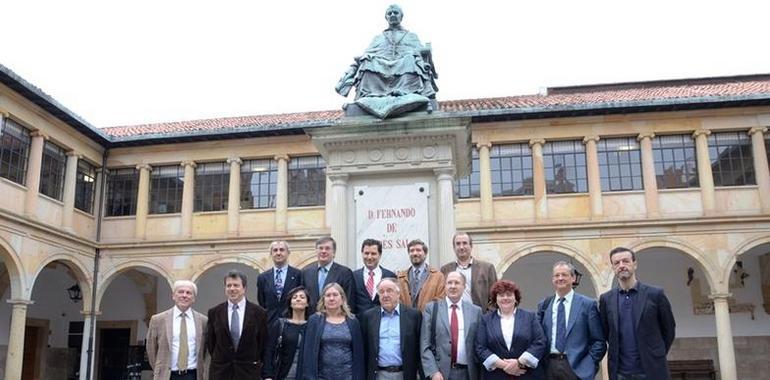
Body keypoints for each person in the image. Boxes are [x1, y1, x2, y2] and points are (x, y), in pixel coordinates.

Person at [335, 4, 438, 118]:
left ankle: (406, 92)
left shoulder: (411, 36)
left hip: (403, 63)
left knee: (411, 59)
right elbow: (367, 53)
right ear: (386, 17)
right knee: (367, 61)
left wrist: (420, 52)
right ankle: (370, 95)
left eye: (395, 12)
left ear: (401, 16)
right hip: (382, 66)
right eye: (390, 13)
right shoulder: (378, 38)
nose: (392, 15)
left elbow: (420, 51)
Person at [599, 247, 676, 380]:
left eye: (626, 261)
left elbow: (668, 329)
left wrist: (656, 353)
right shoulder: (606, 299)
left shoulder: (655, 294)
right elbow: (606, 333)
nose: (621, 266)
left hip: (651, 371)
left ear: (635, 264)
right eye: (617, 263)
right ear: (613, 267)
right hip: (620, 373)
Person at [536, 261, 605, 380]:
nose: (560, 278)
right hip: (549, 366)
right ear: (552, 279)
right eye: (557, 275)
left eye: (564, 275)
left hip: (577, 367)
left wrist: (589, 364)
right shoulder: (544, 305)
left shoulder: (587, 304)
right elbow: (537, 337)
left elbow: (599, 341)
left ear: (573, 278)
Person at [475, 280, 546, 379]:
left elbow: (540, 342)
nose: (505, 298)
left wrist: (519, 362)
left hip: (526, 374)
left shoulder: (530, 317)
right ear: (495, 299)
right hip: (496, 375)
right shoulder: (485, 320)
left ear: (515, 298)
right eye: (501, 295)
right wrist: (505, 366)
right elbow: (480, 347)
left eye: (509, 294)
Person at [206, 270, 268, 380]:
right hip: (221, 372)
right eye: (228, 285)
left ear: (244, 288)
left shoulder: (259, 313)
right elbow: (211, 343)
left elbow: (262, 343)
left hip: (248, 372)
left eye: (236, 285)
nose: (232, 289)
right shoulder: (214, 312)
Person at [421, 271, 482, 380]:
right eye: (449, 283)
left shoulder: (475, 311)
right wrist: (433, 371)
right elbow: (425, 345)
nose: (453, 286)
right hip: (441, 374)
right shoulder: (431, 309)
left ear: (464, 286)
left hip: (468, 373)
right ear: (445, 286)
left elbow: (480, 344)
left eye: (457, 283)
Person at [296, 283, 365, 380]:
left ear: (342, 299)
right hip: (321, 377)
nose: (331, 298)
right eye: (328, 295)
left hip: (348, 376)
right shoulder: (314, 320)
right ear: (323, 300)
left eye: (335, 295)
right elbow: (306, 353)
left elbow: (359, 354)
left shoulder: (353, 321)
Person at [360, 277, 423, 380]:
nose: (385, 295)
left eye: (389, 291)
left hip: (405, 374)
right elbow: (365, 349)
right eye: (381, 292)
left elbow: (419, 347)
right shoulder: (369, 317)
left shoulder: (414, 316)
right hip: (378, 375)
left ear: (398, 294)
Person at [146, 280, 208, 380]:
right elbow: (151, 349)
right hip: (167, 375)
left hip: (193, 375)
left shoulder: (203, 321)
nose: (184, 295)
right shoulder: (158, 320)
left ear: (193, 298)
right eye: (180, 292)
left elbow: (204, 350)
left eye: (188, 293)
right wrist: (161, 368)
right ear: (173, 296)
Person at [441, 232, 498, 312]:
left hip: (480, 318)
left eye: (464, 243)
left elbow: (495, 296)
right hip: (453, 317)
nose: (461, 247)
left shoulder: (487, 268)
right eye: (458, 244)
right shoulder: (445, 270)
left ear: (471, 246)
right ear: (454, 247)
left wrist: (487, 317)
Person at [263, 286, 311, 380]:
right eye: (294, 297)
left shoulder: (313, 326)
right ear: (290, 303)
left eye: (302, 297)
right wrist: (268, 375)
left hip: (307, 375)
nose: (298, 299)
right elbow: (269, 351)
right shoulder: (280, 324)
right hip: (285, 375)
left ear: (307, 303)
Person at [302, 236, 356, 313]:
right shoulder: (306, 272)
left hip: (336, 319)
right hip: (311, 320)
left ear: (334, 252)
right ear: (316, 251)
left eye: (327, 248)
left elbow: (349, 301)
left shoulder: (345, 273)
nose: (323, 251)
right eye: (320, 248)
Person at [257, 240, 303, 324]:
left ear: (288, 253)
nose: (278, 253)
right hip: (270, 324)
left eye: (282, 250)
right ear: (271, 254)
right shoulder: (263, 277)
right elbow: (262, 302)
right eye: (275, 250)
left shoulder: (298, 275)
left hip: (292, 322)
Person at [397, 239, 445, 311]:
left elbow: (441, 299)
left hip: (428, 319)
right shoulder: (400, 278)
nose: (415, 253)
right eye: (412, 251)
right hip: (407, 319)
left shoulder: (438, 276)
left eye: (418, 250)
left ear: (425, 254)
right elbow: (397, 300)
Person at [354, 238, 397, 318]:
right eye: (366, 253)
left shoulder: (390, 276)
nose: (369, 257)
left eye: (373, 253)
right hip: (359, 324)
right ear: (362, 254)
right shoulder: (353, 276)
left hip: (383, 322)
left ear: (380, 255)